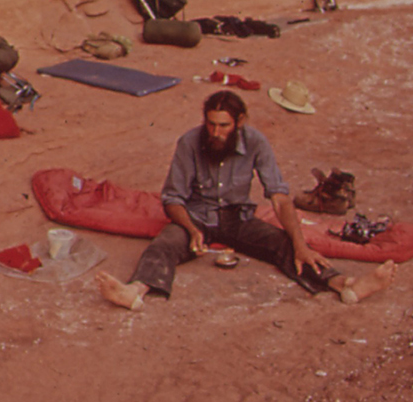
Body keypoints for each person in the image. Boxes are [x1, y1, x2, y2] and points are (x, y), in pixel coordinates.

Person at [96, 90, 395, 310]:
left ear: (239, 122)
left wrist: (301, 244)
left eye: (223, 126)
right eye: (211, 124)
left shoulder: (256, 142)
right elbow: (172, 198)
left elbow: (279, 198)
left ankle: (346, 285)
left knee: (288, 245)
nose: (215, 132)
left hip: (238, 219)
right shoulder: (189, 142)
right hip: (196, 216)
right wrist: (191, 228)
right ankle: (134, 291)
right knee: (165, 243)